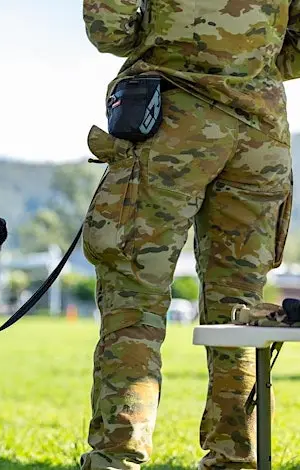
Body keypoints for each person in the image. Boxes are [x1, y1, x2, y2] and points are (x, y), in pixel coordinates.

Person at [79, 1, 296, 469]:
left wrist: (174, 50)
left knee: (134, 297)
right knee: (240, 309)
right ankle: (235, 458)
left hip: (169, 120)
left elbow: (108, 30)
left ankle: (117, 459)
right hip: (260, 134)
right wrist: (243, 62)